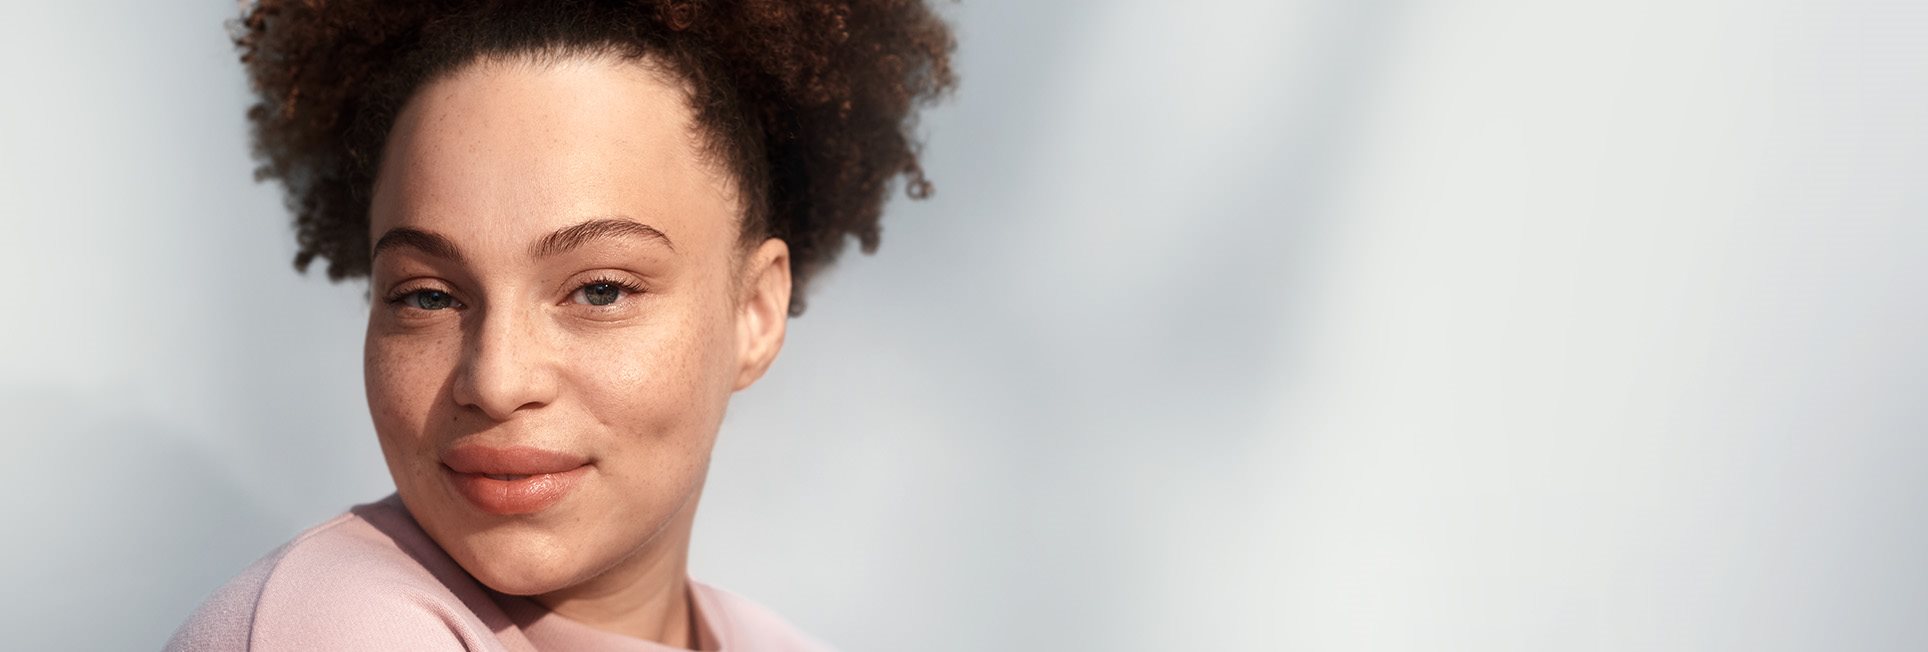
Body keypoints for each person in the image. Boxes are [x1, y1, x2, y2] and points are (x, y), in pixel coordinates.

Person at [167, 1, 954, 649]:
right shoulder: (335, 628)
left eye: (601, 291)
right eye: (428, 296)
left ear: (755, 311)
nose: (497, 380)